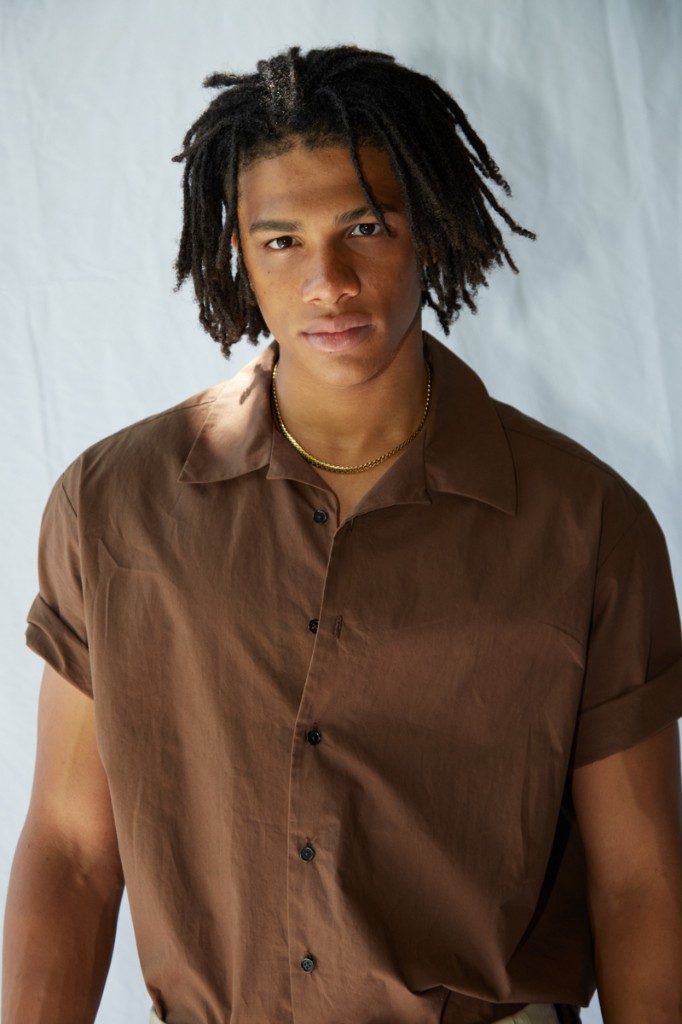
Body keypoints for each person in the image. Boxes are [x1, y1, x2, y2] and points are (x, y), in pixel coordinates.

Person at [3, 44, 682, 1024]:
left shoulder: (587, 526)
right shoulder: (113, 507)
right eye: (281, 240)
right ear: (234, 249)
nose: (329, 279)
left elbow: (639, 883)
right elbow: (68, 849)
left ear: (432, 233)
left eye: (365, 227)